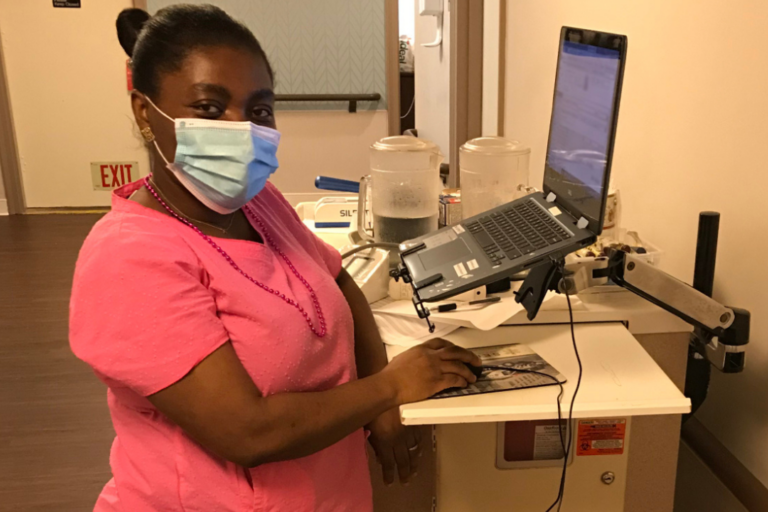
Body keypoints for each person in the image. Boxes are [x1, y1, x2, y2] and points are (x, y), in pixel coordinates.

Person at [69, 5, 480, 511]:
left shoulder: (258, 203)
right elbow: (246, 432)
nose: (242, 130)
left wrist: (380, 395)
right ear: (144, 112)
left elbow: (339, 280)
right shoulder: (128, 259)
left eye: (260, 110)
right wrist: (387, 389)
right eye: (211, 108)